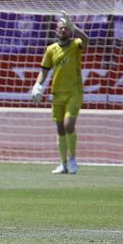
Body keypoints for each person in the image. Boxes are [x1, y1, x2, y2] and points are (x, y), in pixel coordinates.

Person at [28, 14, 89, 175]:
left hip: (74, 93)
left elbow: (86, 40)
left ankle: (72, 159)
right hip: (57, 93)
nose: (64, 31)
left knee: (69, 125)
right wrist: (37, 86)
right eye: (61, 28)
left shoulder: (75, 45)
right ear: (56, 31)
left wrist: (74, 27)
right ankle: (63, 164)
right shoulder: (51, 49)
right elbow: (44, 70)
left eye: (66, 29)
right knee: (60, 128)